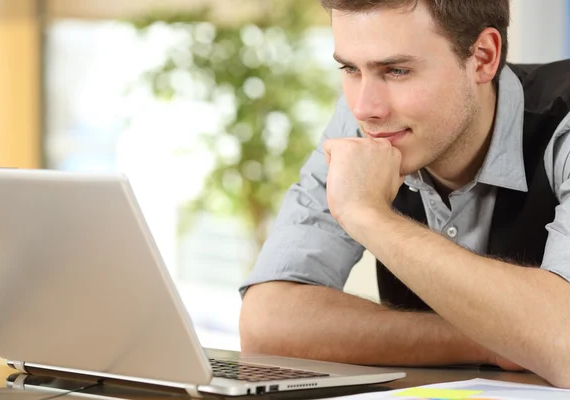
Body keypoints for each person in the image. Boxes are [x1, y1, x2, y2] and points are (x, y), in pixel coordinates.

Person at [238, 0, 570, 388]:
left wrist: (369, 215)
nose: (365, 108)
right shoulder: (365, 130)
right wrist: (503, 339)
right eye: (349, 69)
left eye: (396, 70)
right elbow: (266, 326)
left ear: (483, 57)